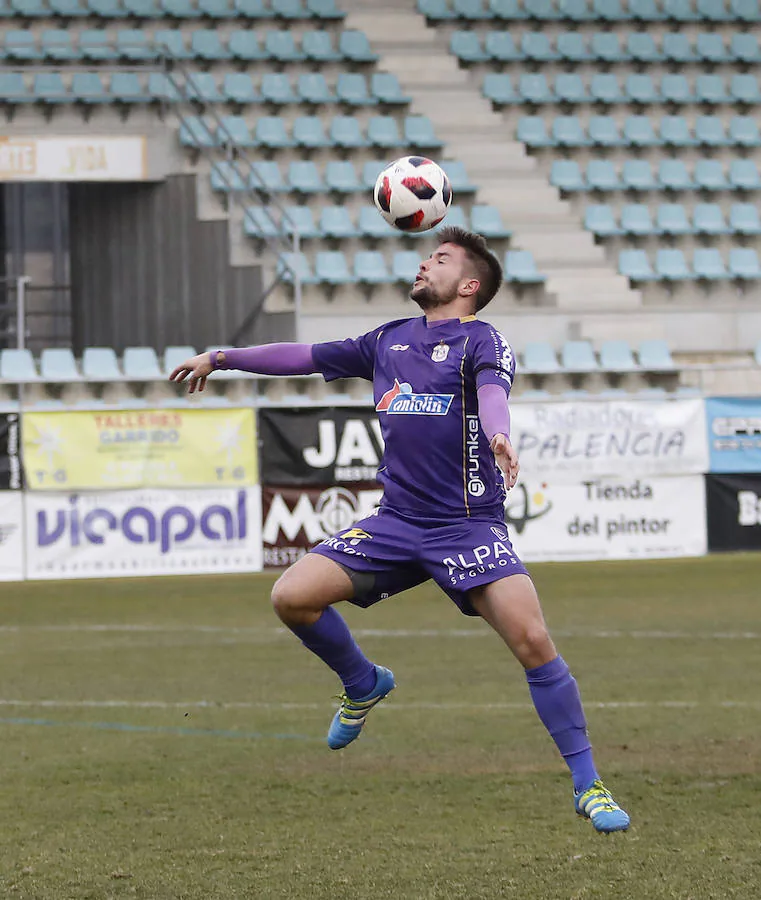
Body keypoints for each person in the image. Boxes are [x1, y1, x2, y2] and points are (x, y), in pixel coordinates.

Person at [170, 227, 630, 834]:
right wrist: (224, 358)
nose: (423, 263)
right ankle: (362, 682)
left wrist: (499, 434)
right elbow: (304, 357)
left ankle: (588, 785)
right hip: (396, 523)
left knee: (534, 643)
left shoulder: (481, 340)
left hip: (467, 528)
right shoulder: (386, 341)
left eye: (439, 259)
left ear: (469, 285)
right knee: (290, 597)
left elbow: (494, 392)